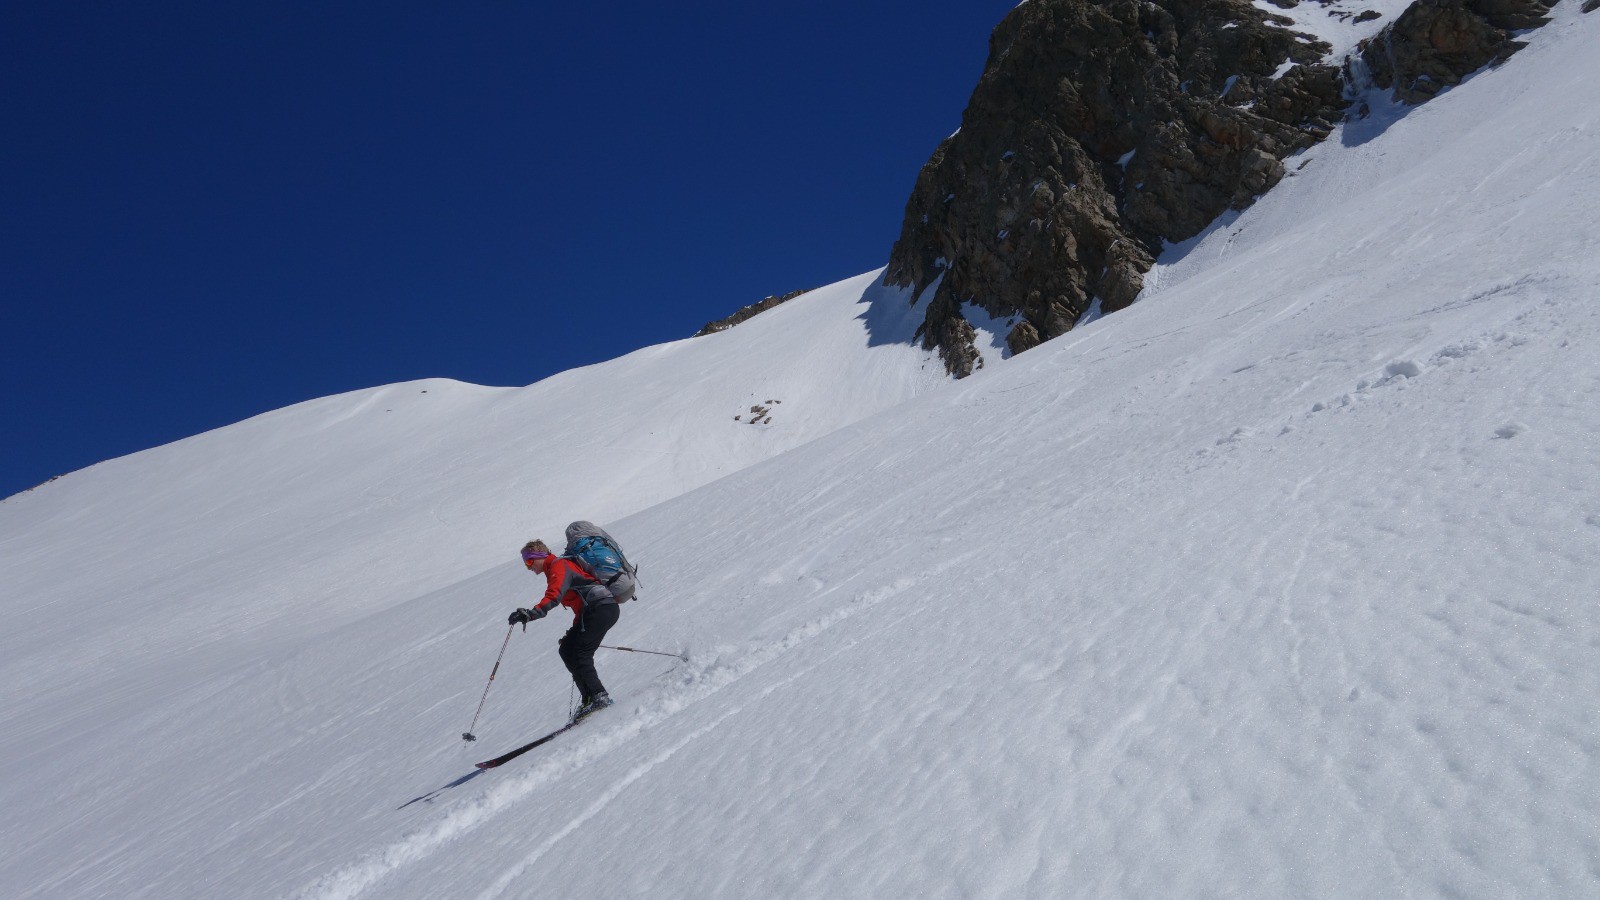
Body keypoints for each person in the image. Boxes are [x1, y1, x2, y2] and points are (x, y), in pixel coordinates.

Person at [509, 540, 619, 722]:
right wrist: (574, 631)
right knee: (567, 649)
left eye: (529, 562)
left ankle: (600, 696)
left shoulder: (558, 566)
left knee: (581, 653)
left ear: (539, 557)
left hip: (601, 609)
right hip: (597, 610)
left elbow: (553, 595)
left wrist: (530, 614)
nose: (528, 568)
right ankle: (589, 699)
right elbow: (580, 605)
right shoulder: (557, 568)